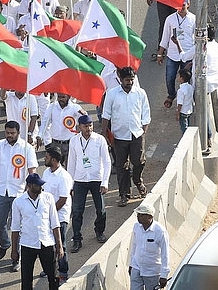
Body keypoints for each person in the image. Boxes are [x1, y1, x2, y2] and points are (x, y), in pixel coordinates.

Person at [0, 121, 37, 272]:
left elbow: (32, 171)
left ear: (18, 132)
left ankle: (15, 258)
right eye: (7, 133)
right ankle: (5, 244)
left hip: (19, 193)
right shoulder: (1, 145)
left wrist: (30, 190)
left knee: (17, 227)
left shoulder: (26, 148)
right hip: (1, 191)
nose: (9, 135)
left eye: (12, 133)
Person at [102, 66, 150, 207]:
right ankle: (124, 194)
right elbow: (106, 115)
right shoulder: (112, 94)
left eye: (131, 80)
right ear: (121, 80)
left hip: (137, 134)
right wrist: (104, 133)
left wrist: (143, 130)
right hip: (118, 136)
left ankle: (138, 181)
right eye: (127, 80)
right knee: (122, 167)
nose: (129, 82)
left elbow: (146, 114)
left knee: (138, 161)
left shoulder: (140, 93)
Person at [10, 173, 64, 290]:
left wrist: (59, 246)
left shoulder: (48, 197)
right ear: (29, 185)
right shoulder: (18, 202)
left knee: (53, 277)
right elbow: (15, 228)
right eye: (38, 185)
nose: (41, 187)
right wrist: (14, 250)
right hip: (27, 244)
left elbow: (55, 224)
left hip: (47, 242)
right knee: (26, 280)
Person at [67, 114, 111, 253]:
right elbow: (71, 163)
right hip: (80, 180)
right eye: (85, 126)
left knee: (101, 209)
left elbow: (107, 161)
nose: (88, 128)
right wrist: (71, 185)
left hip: (96, 179)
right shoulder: (74, 141)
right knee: (77, 211)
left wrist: (105, 182)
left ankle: (99, 231)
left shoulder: (100, 140)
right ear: (79, 127)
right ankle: (77, 239)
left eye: (90, 125)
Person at [41, 146, 73, 284]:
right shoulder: (46, 173)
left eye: (47, 157)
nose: (45, 159)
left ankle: (63, 272)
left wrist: (50, 214)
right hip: (46, 216)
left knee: (61, 246)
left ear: (53, 160)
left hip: (60, 217)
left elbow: (63, 199)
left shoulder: (64, 177)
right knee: (48, 245)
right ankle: (50, 269)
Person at [156, 0, 195, 109]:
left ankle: (186, 99)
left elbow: (197, 38)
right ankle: (171, 94)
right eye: (179, 6)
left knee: (187, 79)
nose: (181, 8)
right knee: (170, 77)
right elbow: (165, 38)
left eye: (183, 5)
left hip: (187, 55)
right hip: (173, 55)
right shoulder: (170, 19)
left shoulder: (193, 19)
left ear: (188, 4)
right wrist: (160, 54)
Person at [36, 93, 86, 165]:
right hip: (55, 144)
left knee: (69, 168)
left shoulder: (75, 107)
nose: (61, 99)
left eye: (63, 97)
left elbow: (85, 120)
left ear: (69, 96)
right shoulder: (52, 106)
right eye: (59, 97)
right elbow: (45, 122)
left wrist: (84, 114)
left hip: (69, 144)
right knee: (54, 169)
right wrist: (39, 136)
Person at [129, 204, 170, 290]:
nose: (138, 216)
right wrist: (131, 264)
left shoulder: (160, 232)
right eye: (138, 214)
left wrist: (164, 275)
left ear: (149, 216)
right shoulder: (136, 227)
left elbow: (165, 254)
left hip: (152, 272)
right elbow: (134, 246)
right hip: (137, 268)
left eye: (142, 215)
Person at [176, 68, 193, 134]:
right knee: (188, 127)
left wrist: (177, 114)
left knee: (184, 129)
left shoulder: (181, 90)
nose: (178, 77)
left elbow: (180, 104)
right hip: (189, 110)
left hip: (183, 112)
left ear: (181, 78)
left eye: (179, 76)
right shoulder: (190, 87)